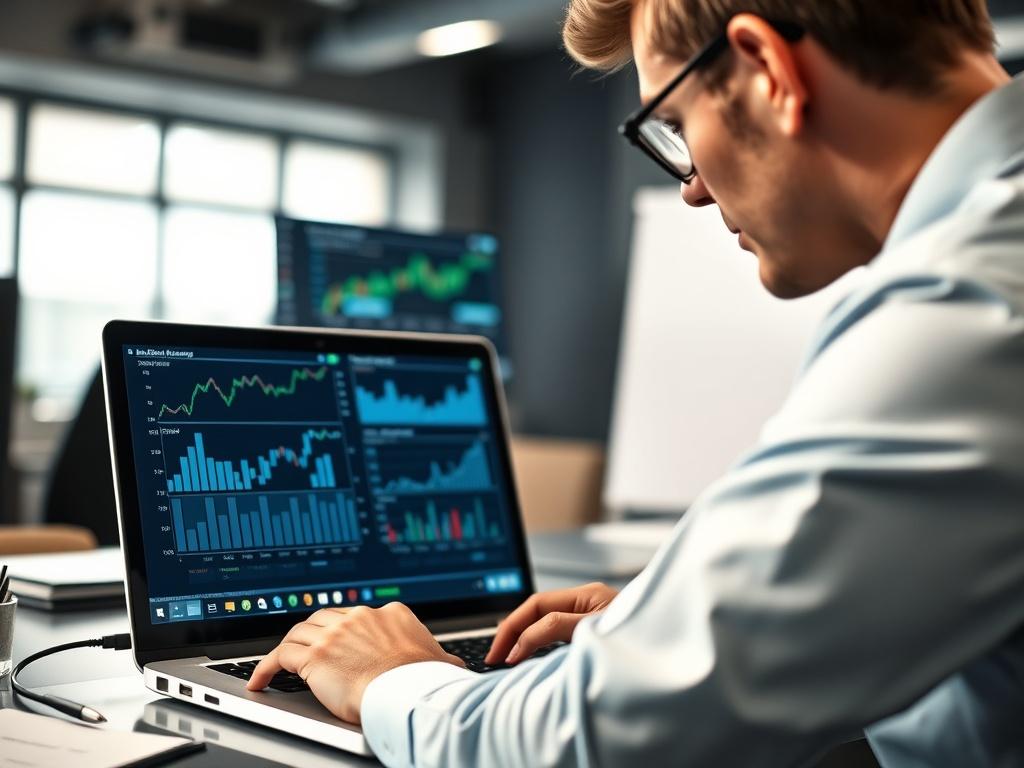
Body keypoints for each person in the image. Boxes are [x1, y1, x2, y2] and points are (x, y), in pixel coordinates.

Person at [248, 1, 1024, 764]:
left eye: (678, 126)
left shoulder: (970, 309)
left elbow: (589, 748)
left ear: (765, 68)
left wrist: (393, 679)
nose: (689, 187)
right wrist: (680, 639)